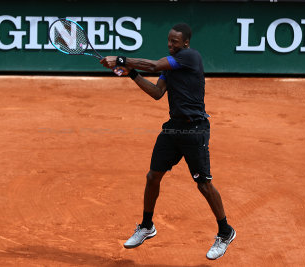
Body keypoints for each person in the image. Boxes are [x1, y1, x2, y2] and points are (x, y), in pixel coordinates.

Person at [100, 23, 235, 260]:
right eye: (169, 40)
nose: (171, 44)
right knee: (153, 176)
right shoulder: (172, 66)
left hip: (195, 130)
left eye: (175, 41)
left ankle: (225, 231)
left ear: (186, 43)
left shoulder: (189, 57)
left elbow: (152, 65)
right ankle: (146, 226)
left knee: (203, 184)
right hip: (173, 129)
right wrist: (131, 73)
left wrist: (121, 59)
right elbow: (156, 93)